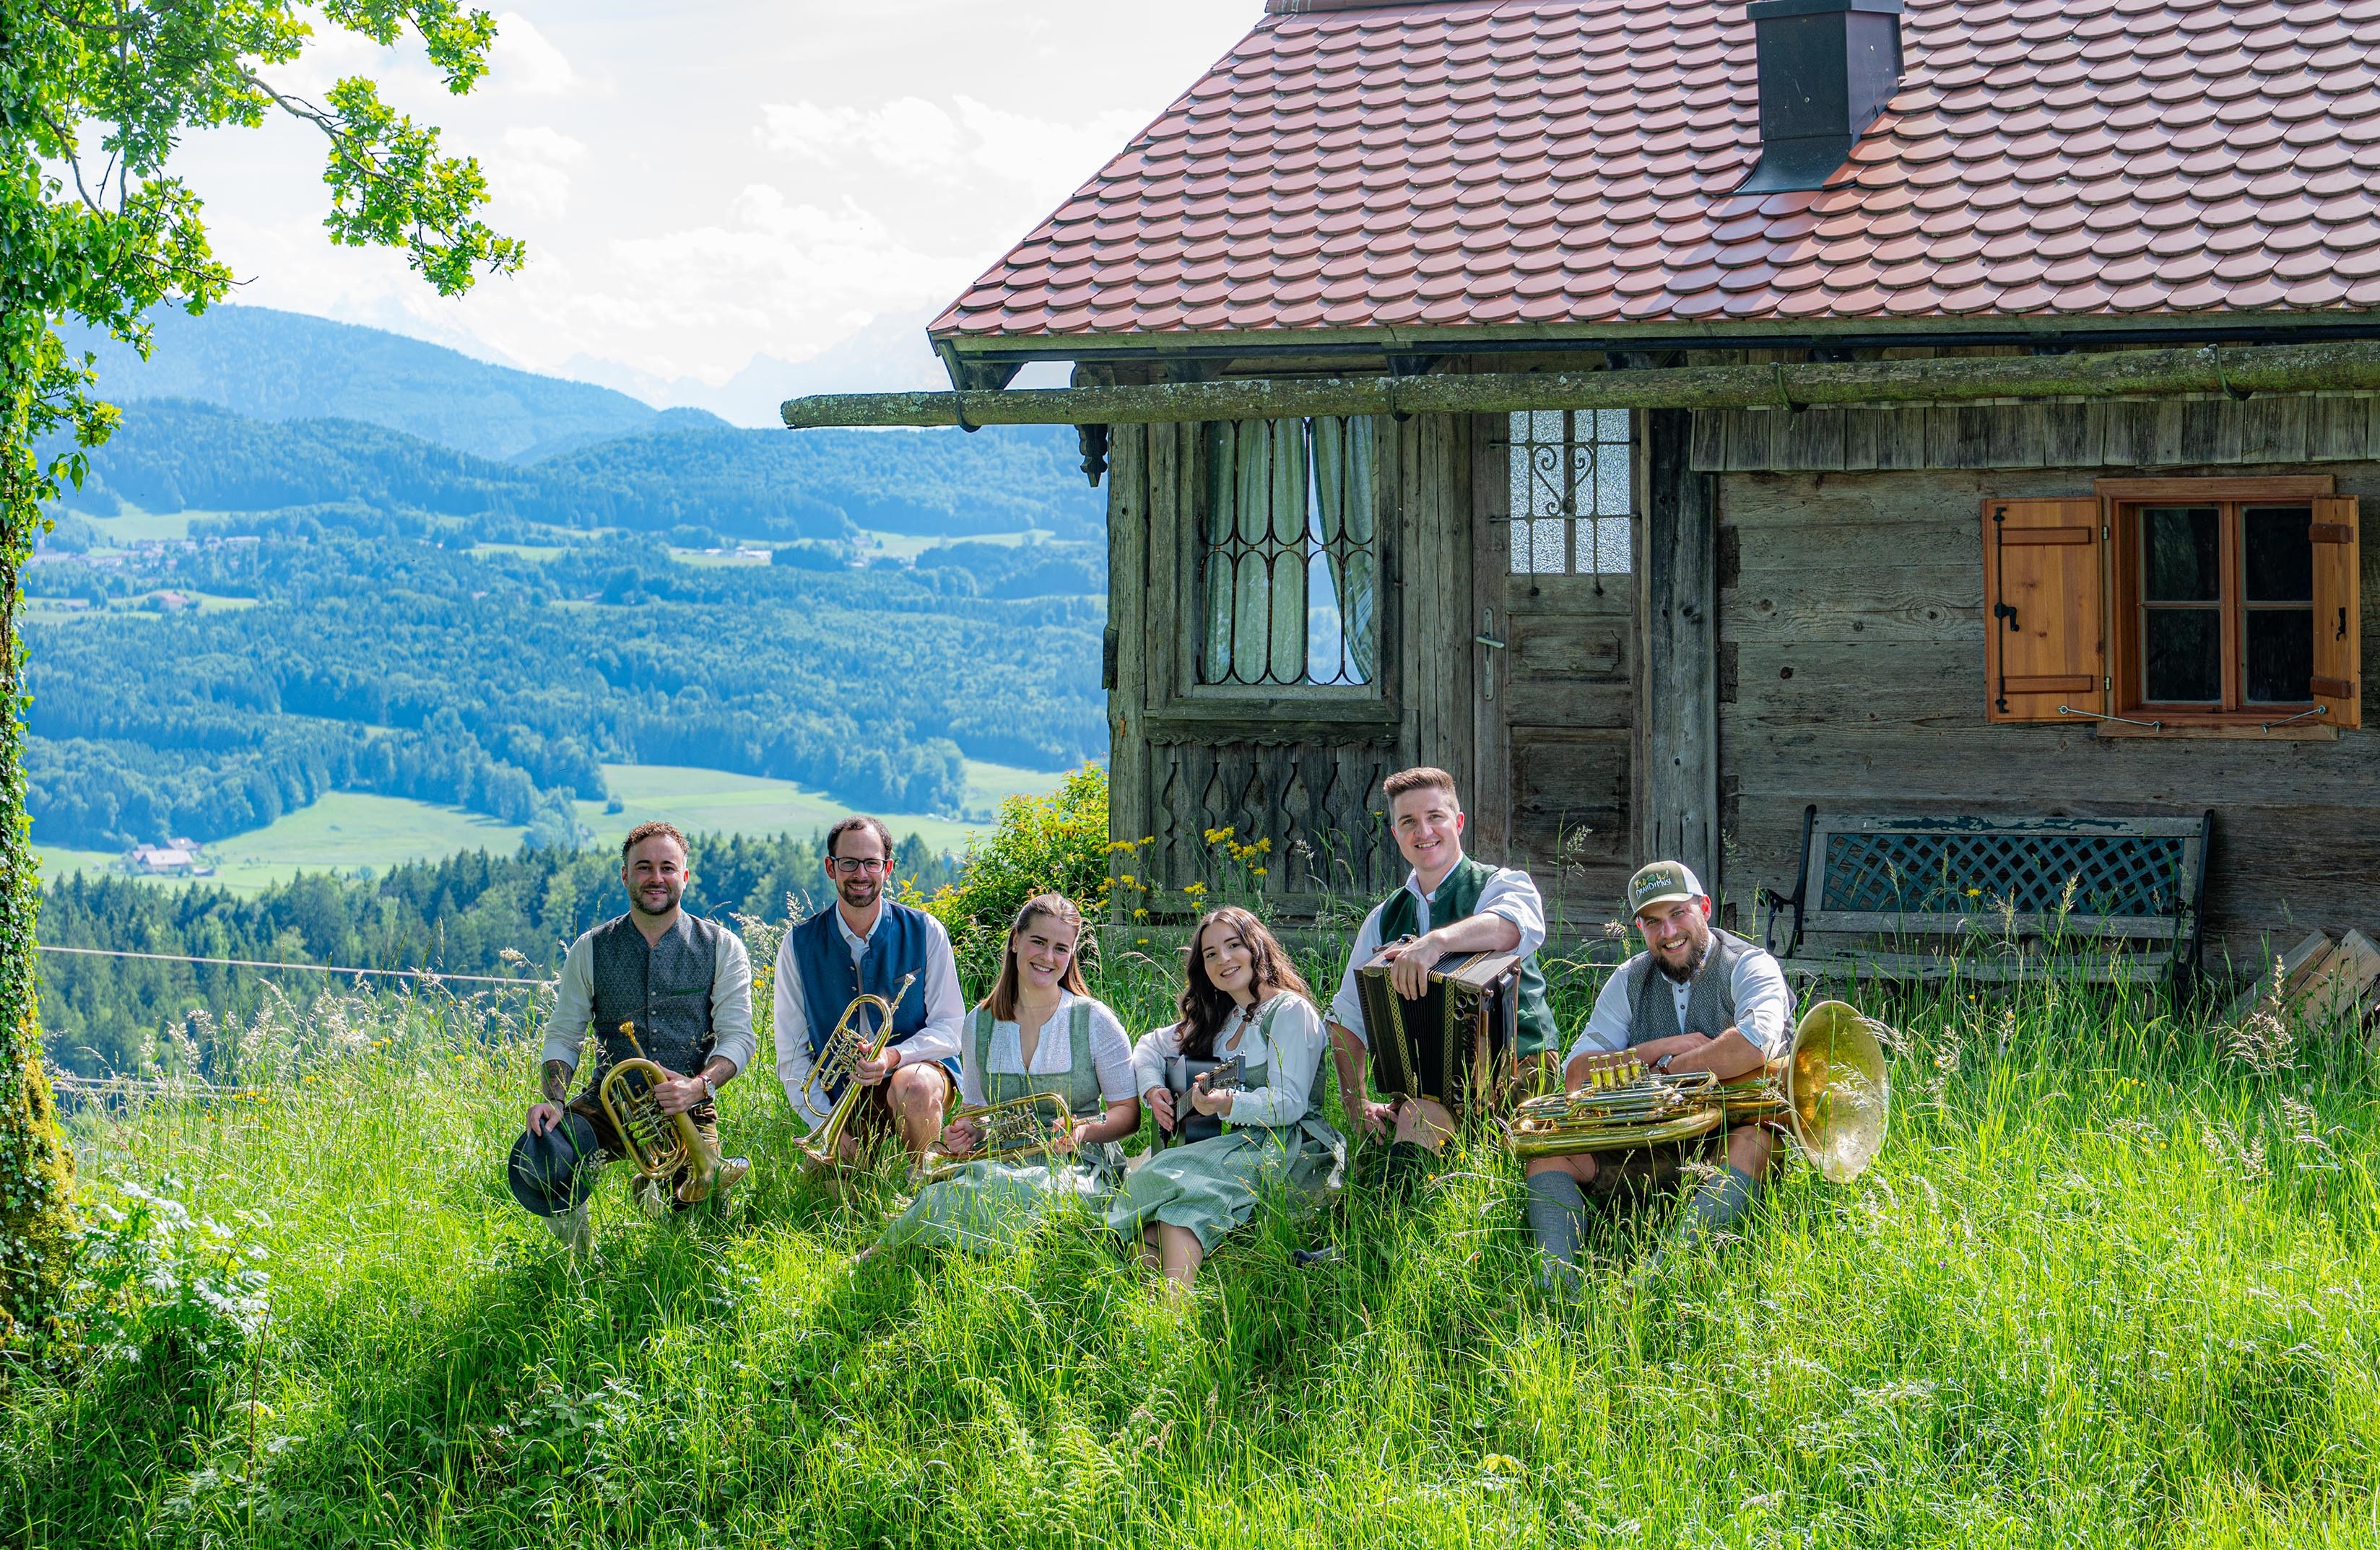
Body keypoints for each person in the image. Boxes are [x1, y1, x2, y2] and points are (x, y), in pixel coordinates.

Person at [1524, 860, 1796, 1291]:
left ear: (1704, 907)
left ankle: (1655, 1282)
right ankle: (1557, 1287)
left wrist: (1674, 1068)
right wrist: (1655, 1050)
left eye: (1678, 914)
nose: (1668, 933)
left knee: (1753, 1142)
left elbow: (1752, 1044)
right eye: (1653, 922)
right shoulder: (1629, 979)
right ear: (1640, 927)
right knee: (1547, 1157)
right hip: (1648, 1147)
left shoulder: (1749, 964)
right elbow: (1577, 1075)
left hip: (1729, 1137)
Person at [514, 822, 755, 1254]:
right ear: (624, 875)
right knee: (544, 1156)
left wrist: (698, 1087)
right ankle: (578, 1262)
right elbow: (565, 1035)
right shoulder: (589, 949)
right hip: (610, 1102)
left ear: (685, 876)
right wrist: (553, 1099)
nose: (656, 878)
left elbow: (738, 1040)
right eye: (644, 867)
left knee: (703, 1232)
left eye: (667, 867)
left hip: (685, 1101)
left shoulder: (723, 947)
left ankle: (655, 1193)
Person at [1324, 766, 1560, 1188]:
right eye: (1408, 822)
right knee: (1408, 1127)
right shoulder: (1383, 918)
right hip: (1425, 1088)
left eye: (1435, 816)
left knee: (1420, 1128)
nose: (1424, 831)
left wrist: (1434, 944)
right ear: (1396, 835)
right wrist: (1356, 1101)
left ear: (1459, 823)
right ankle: (1375, 1239)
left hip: (1518, 1073)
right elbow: (1345, 1021)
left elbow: (1512, 928)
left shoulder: (1500, 885)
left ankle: (1380, 1235)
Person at [872, 893, 1141, 1255]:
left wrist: (1085, 1130)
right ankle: (886, 1253)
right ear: (1016, 941)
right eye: (1038, 942)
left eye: (1061, 949)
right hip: (1002, 1158)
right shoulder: (979, 1023)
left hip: (1081, 1161)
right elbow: (976, 1109)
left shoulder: (1094, 1020)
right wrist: (970, 1129)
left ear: (1071, 955)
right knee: (953, 1192)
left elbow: (1128, 1112)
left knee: (1010, 1192)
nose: (1048, 958)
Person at [1109, 907, 1344, 1295]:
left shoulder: (1289, 1011)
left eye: (1233, 945)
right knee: (1150, 1227)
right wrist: (1153, 1090)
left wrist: (1225, 1104)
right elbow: (1150, 1046)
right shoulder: (1227, 1017)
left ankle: (1173, 1315)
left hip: (1290, 1146)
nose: (1224, 960)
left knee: (1173, 1189)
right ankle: (1146, 1323)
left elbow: (1291, 1102)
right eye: (1211, 954)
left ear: (1256, 947)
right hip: (1236, 1142)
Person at [773, 815, 966, 1164]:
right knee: (834, 1201)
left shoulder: (926, 931)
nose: (860, 874)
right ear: (831, 868)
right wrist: (828, 1125)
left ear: (887, 868)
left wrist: (892, 1057)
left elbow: (952, 1028)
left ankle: (922, 1186)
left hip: (915, 1074)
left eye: (871, 863)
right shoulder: (797, 944)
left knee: (915, 1086)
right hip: (843, 1093)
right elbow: (791, 1055)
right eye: (848, 863)